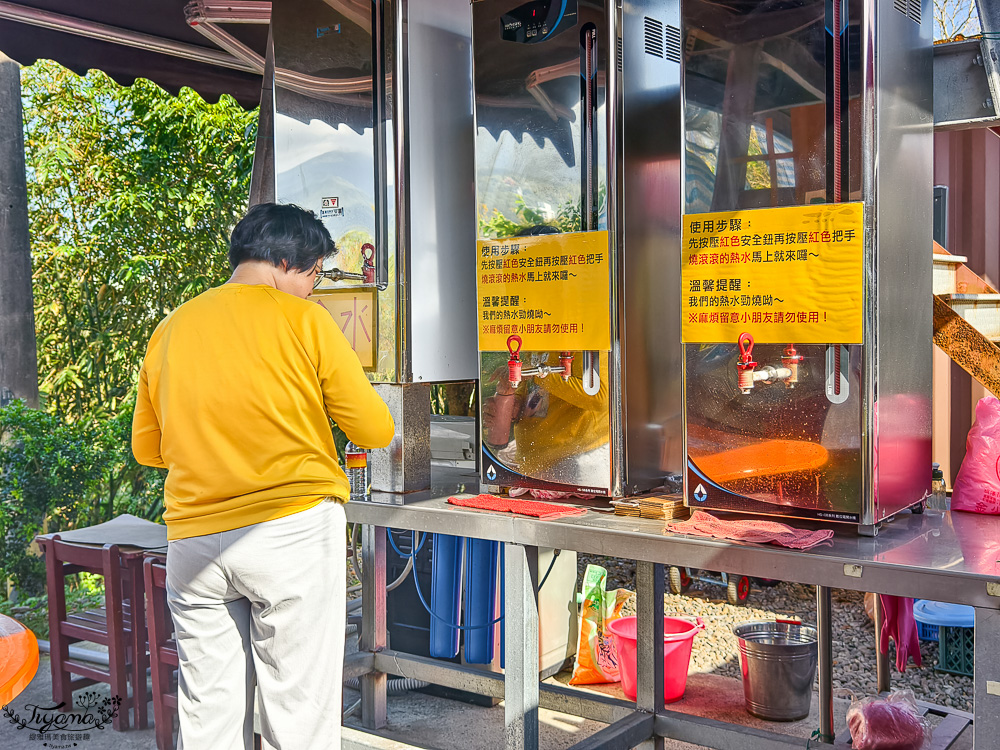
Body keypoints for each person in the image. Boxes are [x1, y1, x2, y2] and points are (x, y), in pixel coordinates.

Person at [132, 202, 395, 749]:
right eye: (315, 274)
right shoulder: (304, 321)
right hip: (291, 532)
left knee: (208, 715)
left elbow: (149, 450)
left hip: (194, 540)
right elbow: (372, 429)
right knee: (296, 713)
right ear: (284, 261)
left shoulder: (171, 328)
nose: (314, 288)